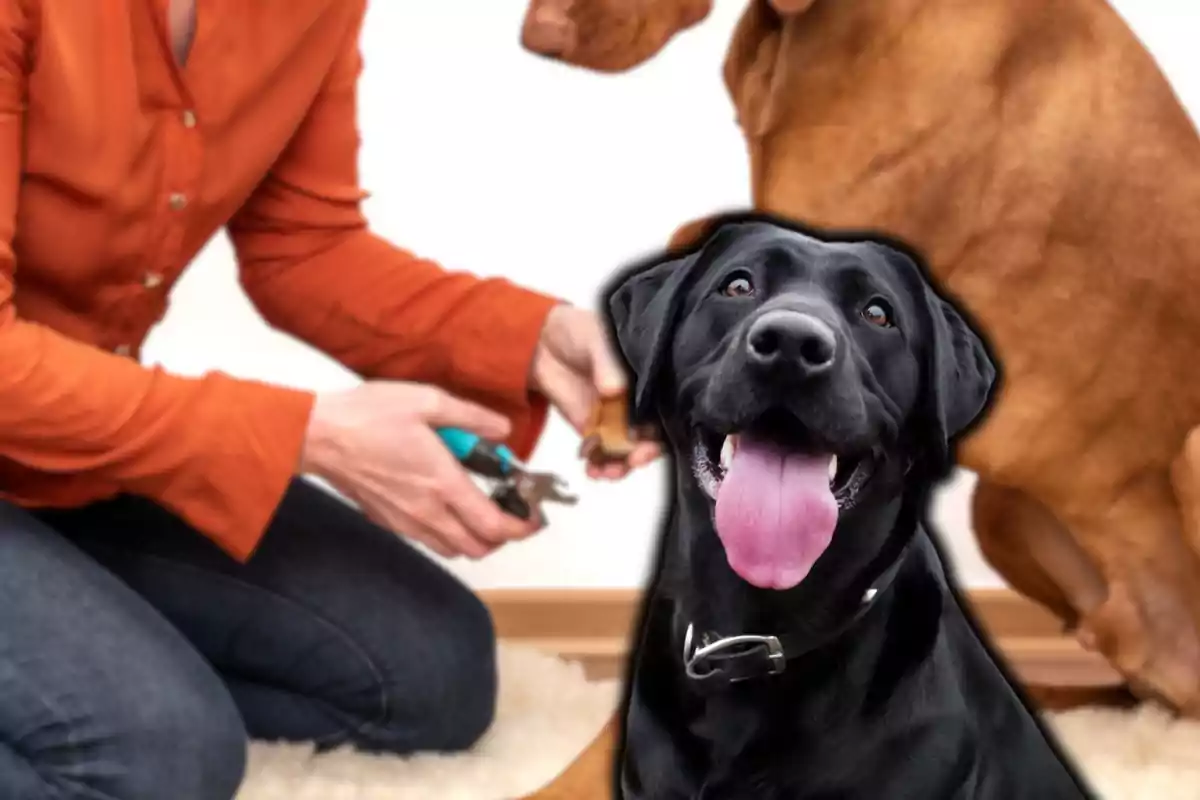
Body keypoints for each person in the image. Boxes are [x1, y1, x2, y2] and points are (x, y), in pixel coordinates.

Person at [0, 2, 659, 798]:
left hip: (68, 450)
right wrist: (303, 436)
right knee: (158, 761)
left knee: (428, 673)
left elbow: (301, 244)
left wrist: (532, 337)